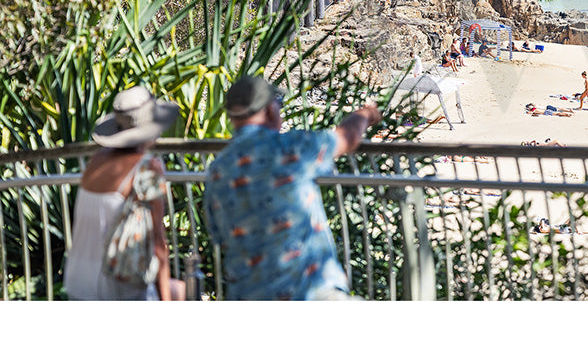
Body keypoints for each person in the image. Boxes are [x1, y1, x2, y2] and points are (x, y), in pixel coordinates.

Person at [203, 76, 381, 300]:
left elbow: (218, 235)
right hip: (310, 294)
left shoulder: (218, 170)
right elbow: (347, 136)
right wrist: (366, 114)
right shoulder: (290, 148)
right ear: (269, 109)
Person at [63, 86, 185, 301]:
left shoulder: (96, 161)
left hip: (76, 282)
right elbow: (158, 243)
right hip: (116, 285)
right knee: (183, 292)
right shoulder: (147, 168)